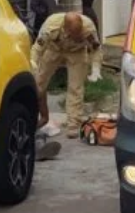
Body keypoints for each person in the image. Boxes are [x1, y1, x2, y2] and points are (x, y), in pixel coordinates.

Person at [32, 11, 102, 139]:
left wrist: (95, 69)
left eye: (79, 33)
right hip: (54, 48)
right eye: (74, 34)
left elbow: (96, 49)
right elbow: (37, 48)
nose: (77, 36)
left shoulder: (88, 28)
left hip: (77, 52)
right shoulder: (50, 26)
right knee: (38, 82)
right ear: (65, 29)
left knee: (75, 87)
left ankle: (73, 124)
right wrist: (33, 63)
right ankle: (36, 117)